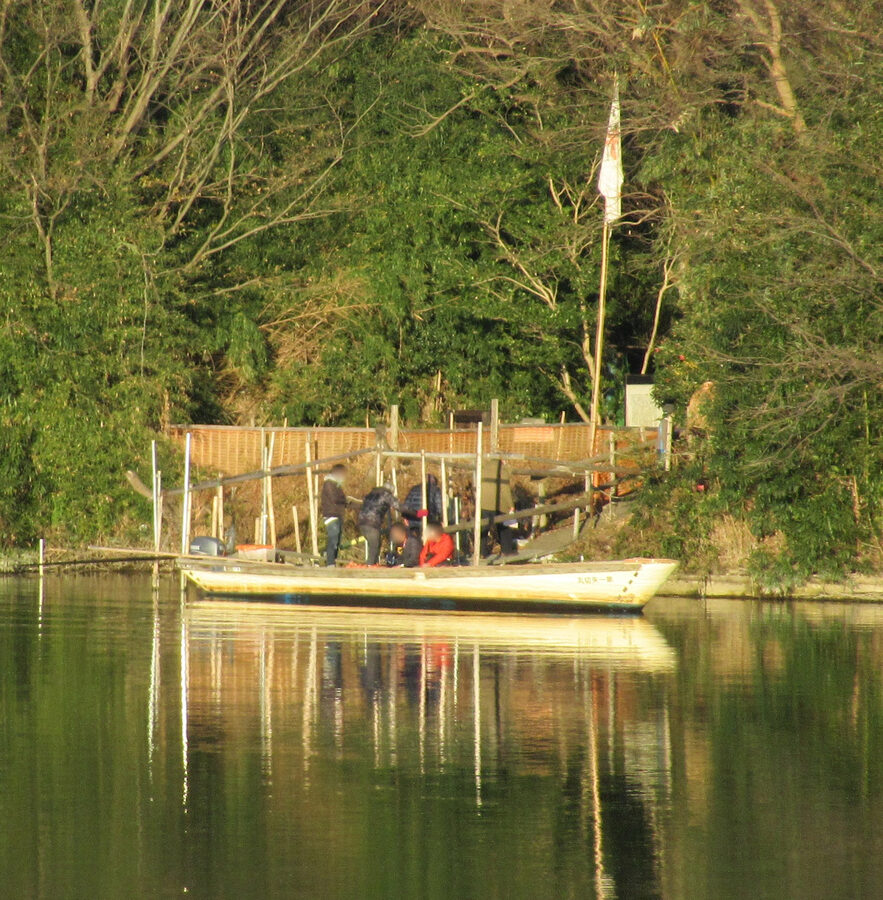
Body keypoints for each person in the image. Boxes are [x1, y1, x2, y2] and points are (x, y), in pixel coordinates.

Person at [480, 458, 517, 556]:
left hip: (484, 503)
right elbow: (505, 490)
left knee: (484, 528)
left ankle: (481, 552)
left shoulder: (484, 468)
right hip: (499, 504)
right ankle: (506, 550)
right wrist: (511, 505)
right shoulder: (502, 471)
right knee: (504, 528)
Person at [358, 482, 399, 565]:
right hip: (372, 523)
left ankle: (373, 564)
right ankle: (370, 565)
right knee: (374, 546)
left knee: (375, 544)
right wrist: (415, 512)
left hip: (362, 522)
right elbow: (398, 506)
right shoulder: (386, 495)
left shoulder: (371, 494)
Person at [320, 464, 349, 567]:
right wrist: (345, 500)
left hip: (338, 515)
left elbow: (342, 499)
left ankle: (330, 558)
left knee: (337, 540)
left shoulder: (337, 485)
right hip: (331, 515)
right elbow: (335, 498)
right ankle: (330, 562)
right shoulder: (329, 483)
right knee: (333, 538)